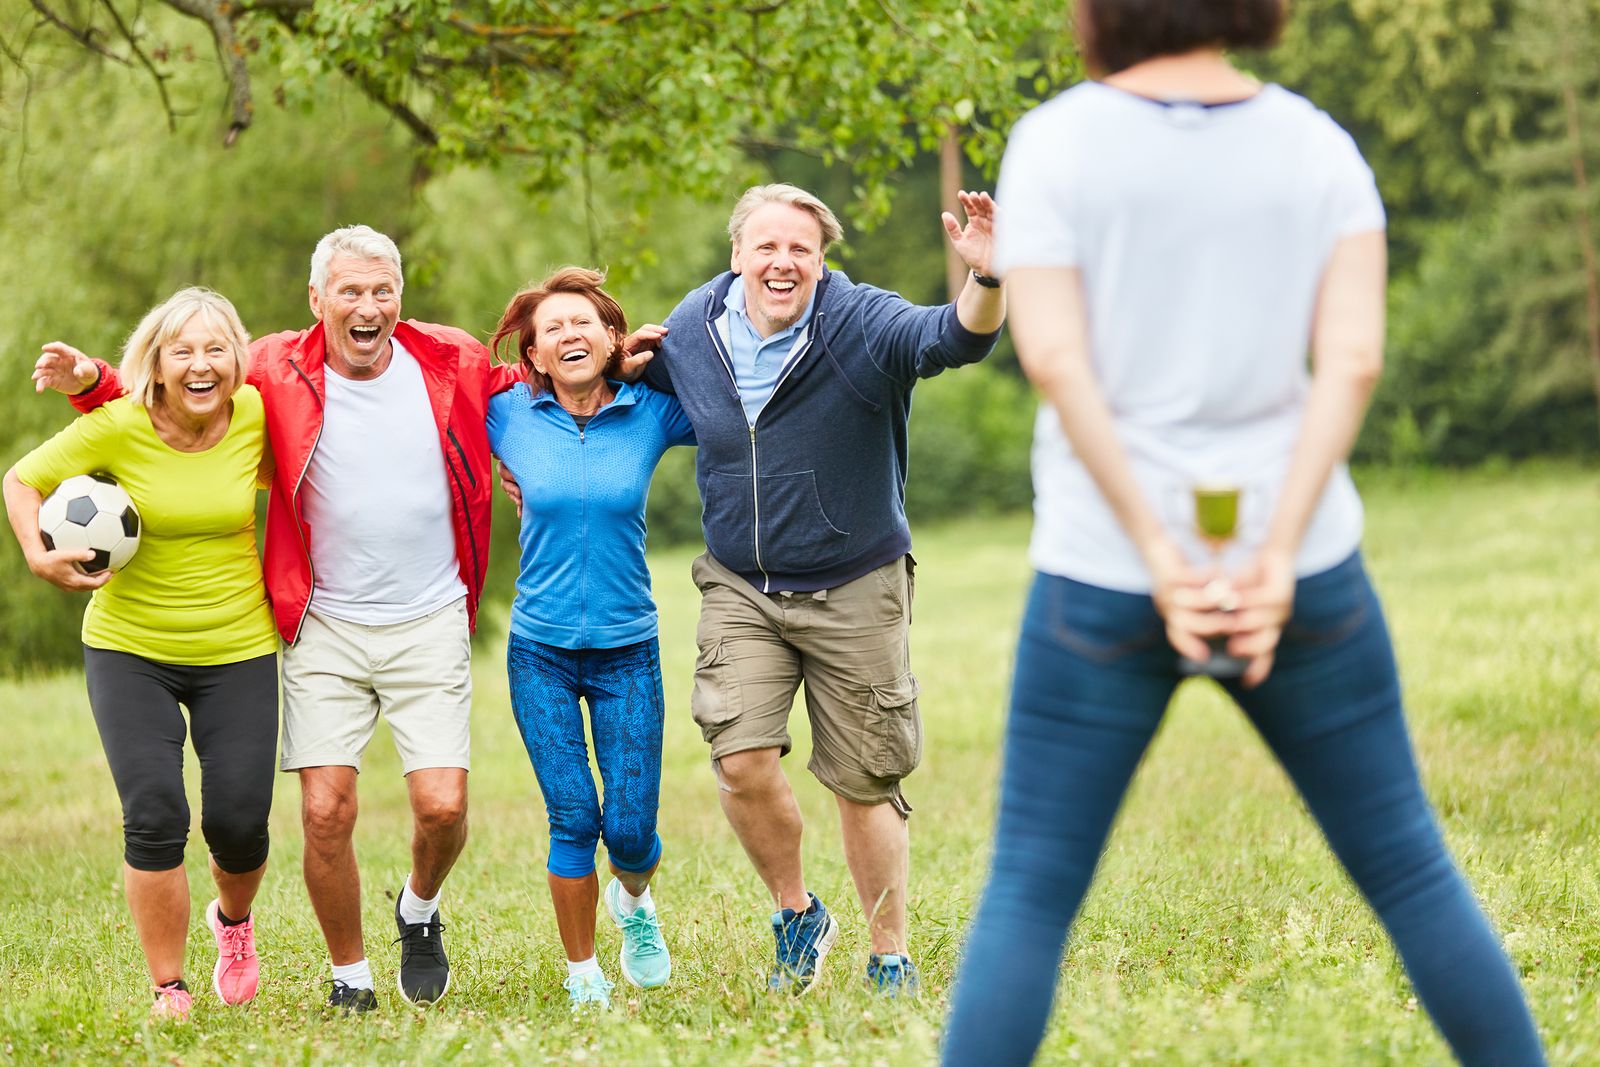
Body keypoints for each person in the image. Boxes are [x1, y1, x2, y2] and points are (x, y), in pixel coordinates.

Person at [939, 2, 1547, 1064]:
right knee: (1410, 870)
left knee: (1030, 889)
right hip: (1299, 571)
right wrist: (1273, 556)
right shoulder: (1317, 145)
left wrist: (1158, 555)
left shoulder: (1056, 142)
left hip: (1101, 571)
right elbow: (1352, 360)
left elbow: (1057, 360)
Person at [35, 226, 523, 1012]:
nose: (368, 306)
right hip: (322, 620)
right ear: (317, 299)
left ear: (399, 296)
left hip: (429, 613)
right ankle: (350, 976)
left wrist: (619, 370)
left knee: (443, 806)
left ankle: (419, 906)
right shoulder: (274, 366)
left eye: (382, 290)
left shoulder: (450, 358)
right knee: (324, 809)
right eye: (350, 291)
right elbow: (174, 393)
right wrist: (93, 380)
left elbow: (524, 388)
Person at [636, 182, 1005, 994]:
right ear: (737, 254)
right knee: (739, 760)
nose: (783, 262)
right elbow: (619, 385)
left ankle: (889, 955)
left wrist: (986, 277)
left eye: (800, 249)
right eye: (766, 246)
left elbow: (956, 338)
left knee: (864, 780)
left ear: (822, 260)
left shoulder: (862, 323)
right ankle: (797, 912)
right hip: (741, 584)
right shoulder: (694, 326)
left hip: (855, 582)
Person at [4, 288, 277, 1021]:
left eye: (216, 349)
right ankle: (169, 986)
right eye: (182, 351)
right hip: (130, 649)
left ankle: (233, 921)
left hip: (238, 647)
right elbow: (21, 480)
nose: (200, 365)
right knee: (155, 813)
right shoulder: (119, 425)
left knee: (240, 822)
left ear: (238, 359)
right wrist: (37, 553)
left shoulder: (256, 415)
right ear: (154, 363)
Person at [485, 267, 695, 1012]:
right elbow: (437, 407)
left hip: (627, 649)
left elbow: (727, 398)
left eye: (584, 324)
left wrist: (650, 365)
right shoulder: (506, 413)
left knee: (631, 830)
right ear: (534, 355)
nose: (568, 335)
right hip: (538, 649)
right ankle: (584, 976)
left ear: (611, 339)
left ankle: (633, 901)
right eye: (552, 329)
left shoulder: (653, 413)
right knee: (573, 815)